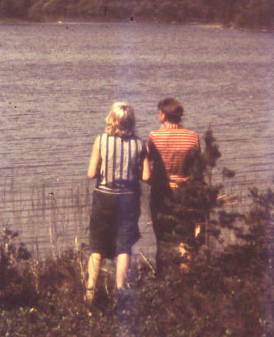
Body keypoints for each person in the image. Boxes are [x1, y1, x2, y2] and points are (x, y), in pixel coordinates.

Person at [85, 101, 149, 303]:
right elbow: (146, 176)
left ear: (112, 119)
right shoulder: (140, 144)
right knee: (124, 246)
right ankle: (120, 291)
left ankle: (90, 291)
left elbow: (91, 173)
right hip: (129, 198)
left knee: (97, 245)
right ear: (131, 121)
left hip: (104, 197)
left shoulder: (101, 140)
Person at [146, 97, 201, 272]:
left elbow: (147, 164)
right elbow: (196, 168)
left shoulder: (154, 136)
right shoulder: (192, 137)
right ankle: (186, 279)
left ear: (163, 115)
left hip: (161, 193)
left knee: (162, 238)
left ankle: (162, 277)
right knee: (185, 238)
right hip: (186, 193)